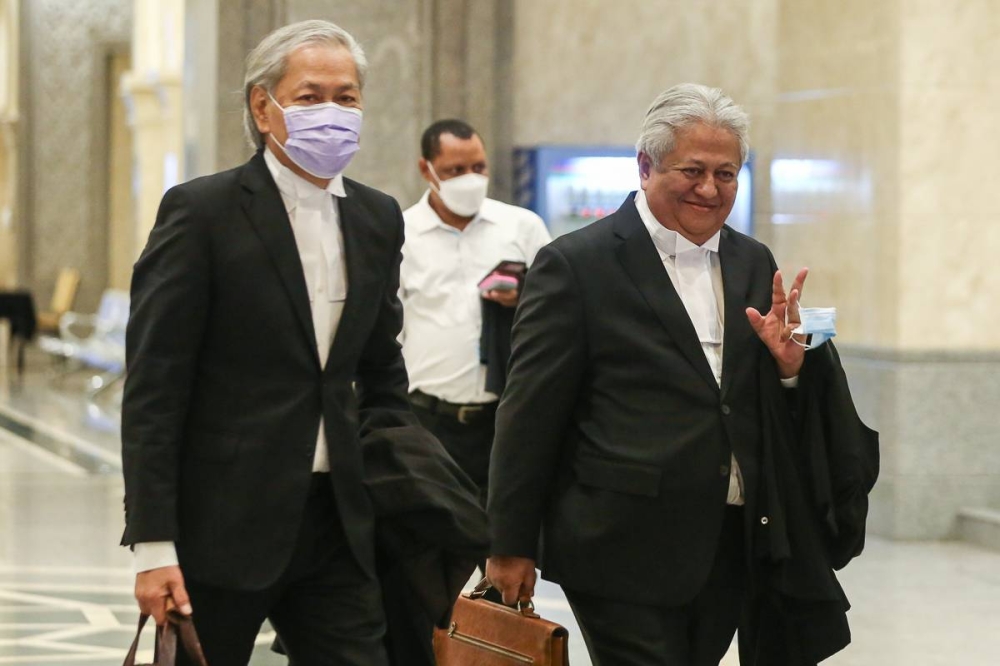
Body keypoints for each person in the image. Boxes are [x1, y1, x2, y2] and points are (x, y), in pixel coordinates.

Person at [486, 83, 877, 665]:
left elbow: (771, 390)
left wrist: (794, 367)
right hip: (617, 543)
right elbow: (529, 414)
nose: (709, 189)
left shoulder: (753, 260)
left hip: (731, 540)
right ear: (645, 166)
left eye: (726, 174)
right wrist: (509, 545)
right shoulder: (576, 264)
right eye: (692, 170)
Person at [121, 20, 421, 666]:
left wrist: (398, 480)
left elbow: (381, 369)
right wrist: (153, 545)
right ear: (264, 107)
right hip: (220, 524)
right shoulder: (202, 213)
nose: (332, 113)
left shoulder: (376, 217)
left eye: (347, 97)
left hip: (338, 522)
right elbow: (154, 387)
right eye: (310, 97)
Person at [398, 119, 550, 526]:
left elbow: (558, 312)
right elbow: (386, 331)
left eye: (478, 168)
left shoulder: (522, 227)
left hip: (506, 418)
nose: (469, 179)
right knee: (431, 545)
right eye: (454, 171)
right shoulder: (401, 234)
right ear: (425, 169)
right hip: (429, 419)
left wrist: (522, 297)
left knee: (504, 547)